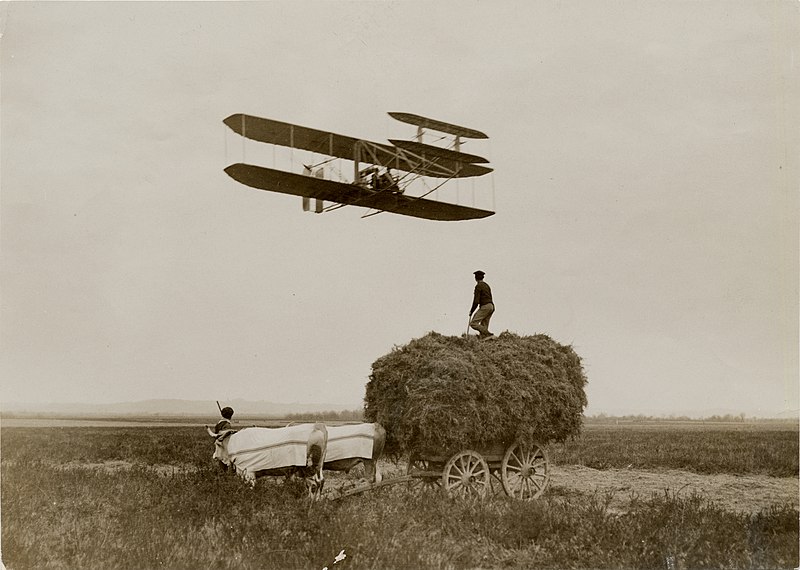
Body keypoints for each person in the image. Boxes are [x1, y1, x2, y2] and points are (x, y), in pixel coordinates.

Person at [469, 270, 496, 340]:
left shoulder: (478, 286)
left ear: (476, 278)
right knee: (484, 324)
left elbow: (476, 301)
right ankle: (485, 339)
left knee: (473, 323)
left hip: (485, 306)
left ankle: (488, 334)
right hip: (491, 306)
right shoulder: (487, 285)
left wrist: (471, 311)